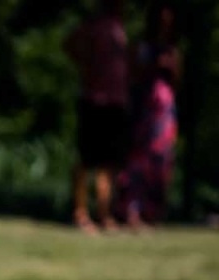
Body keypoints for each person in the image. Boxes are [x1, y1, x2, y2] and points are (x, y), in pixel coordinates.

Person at [66, 0, 131, 233]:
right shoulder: (94, 26)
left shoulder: (119, 27)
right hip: (95, 99)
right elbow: (70, 45)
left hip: (115, 101)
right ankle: (80, 213)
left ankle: (104, 214)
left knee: (108, 162)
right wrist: (87, 66)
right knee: (87, 159)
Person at [118, 4, 179, 229]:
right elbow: (130, 75)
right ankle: (131, 209)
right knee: (137, 160)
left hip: (165, 112)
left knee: (161, 162)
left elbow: (177, 81)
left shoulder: (172, 50)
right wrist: (152, 65)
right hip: (143, 109)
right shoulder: (141, 48)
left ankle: (152, 212)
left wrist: (170, 66)